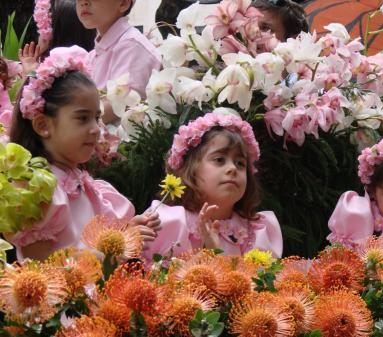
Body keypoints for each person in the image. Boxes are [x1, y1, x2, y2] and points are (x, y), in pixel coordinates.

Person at [6, 46, 160, 261]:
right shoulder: (37, 190)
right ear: (42, 125)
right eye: (82, 118)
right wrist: (115, 252)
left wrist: (125, 233)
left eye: (96, 117)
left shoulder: (78, 180)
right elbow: (44, 265)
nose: (96, 128)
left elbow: (92, 238)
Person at [142, 112, 283, 262]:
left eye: (240, 163)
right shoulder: (171, 222)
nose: (232, 168)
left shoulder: (256, 231)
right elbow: (158, 280)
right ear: (192, 169)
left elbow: (260, 283)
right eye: (219, 160)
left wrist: (215, 254)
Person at [76, 0, 161, 123]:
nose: (83, 2)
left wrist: (71, 122)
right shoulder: (94, 54)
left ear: (123, 4)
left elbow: (122, 103)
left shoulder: (131, 45)